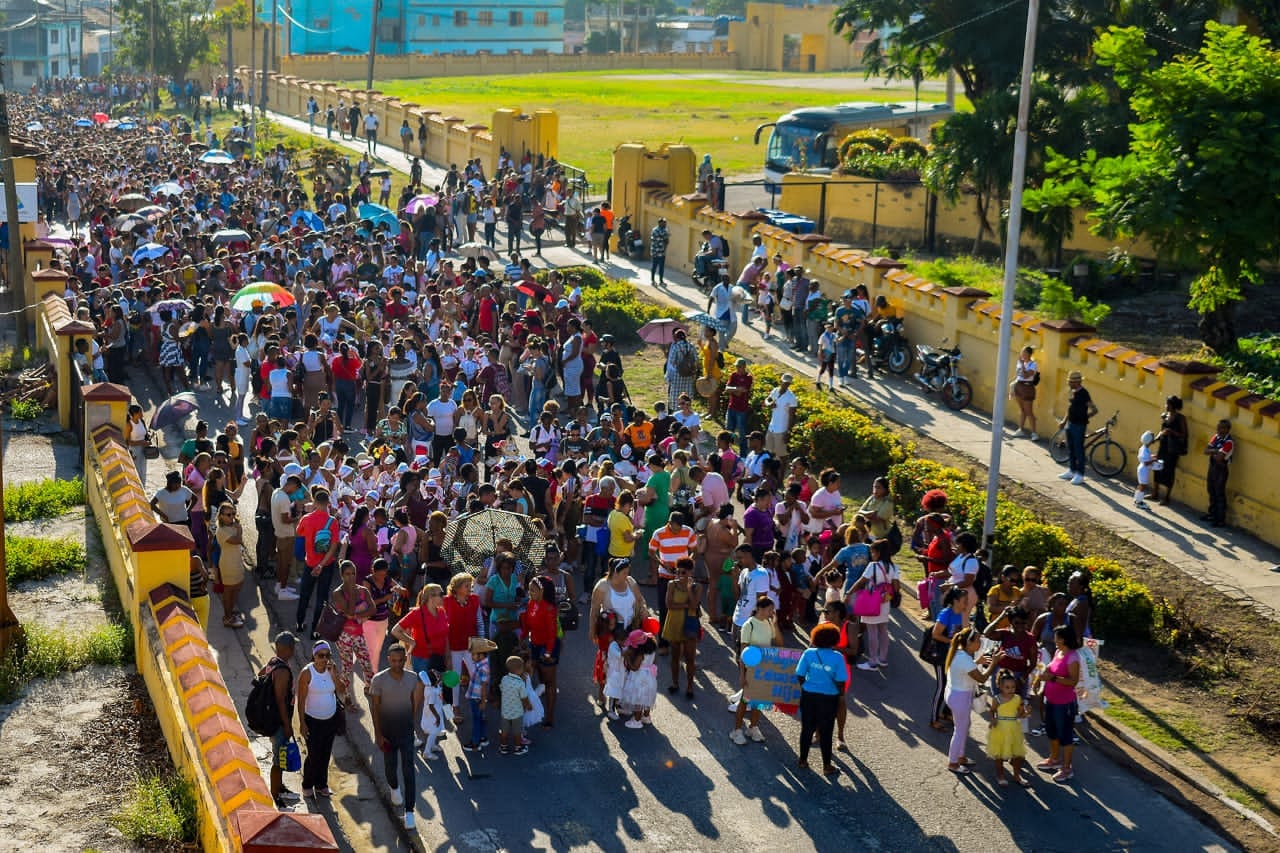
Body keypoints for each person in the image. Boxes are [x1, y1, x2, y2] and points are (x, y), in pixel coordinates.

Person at [370, 643, 425, 830]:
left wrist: (414, 726)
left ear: (405, 659)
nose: (397, 664)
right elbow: (375, 708)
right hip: (387, 734)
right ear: (388, 660)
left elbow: (413, 703)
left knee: (409, 771)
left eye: (401, 660)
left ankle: (409, 812)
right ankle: (394, 788)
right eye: (393, 660)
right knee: (390, 768)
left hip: (406, 734)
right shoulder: (378, 680)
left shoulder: (412, 678)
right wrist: (378, 734)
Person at [943, 626, 999, 774]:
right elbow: (981, 678)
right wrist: (994, 662)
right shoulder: (965, 659)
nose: (980, 643)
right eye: (978, 640)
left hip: (956, 694)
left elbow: (967, 668)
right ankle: (953, 763)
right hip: (960, 698)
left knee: (963, 727)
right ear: (969, 643)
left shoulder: (960, 653)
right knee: (960, 731)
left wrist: (977, 661)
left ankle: (960, 758)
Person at [795, 622, 847, 777]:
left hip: (809, 695)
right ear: (834, 640)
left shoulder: (808, 653)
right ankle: (826, 766)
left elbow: (800, 674)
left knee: (807, 729)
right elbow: (841, 680)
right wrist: (840, 695)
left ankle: (802, 760)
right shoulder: (837, 657)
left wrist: (808, 686)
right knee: (826, 731)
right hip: (829, 698)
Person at [296, 640, 346, 799]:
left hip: (330, 720)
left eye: (327, 656)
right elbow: (302, 699)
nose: (324, 659)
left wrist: (333, 675)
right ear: (314, 656)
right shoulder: (307, 673)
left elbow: (342, 690)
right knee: (313, 755)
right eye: (321, 655)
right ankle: (307, 784)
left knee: (325, 753)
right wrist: (302, 723)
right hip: (313, 720)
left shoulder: (332, 669)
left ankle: (321, 785)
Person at [730, 594, 781, 745]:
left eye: (773, 610)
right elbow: (743, 652)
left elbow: (779, 642)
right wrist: (742, 674)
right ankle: (737, 731)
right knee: (745, 701)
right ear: (759, 608)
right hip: (750, 670)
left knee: (759, 701)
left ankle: (753, 727)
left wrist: (776, 624)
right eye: (769, 610)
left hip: (765, 668)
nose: (771, 613)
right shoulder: (749, 625)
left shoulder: (769, 623)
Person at [1035, 625, 1082, 783]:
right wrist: (1042, 674)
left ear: (1062, 638)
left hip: (1065, 704)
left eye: (1055, 636)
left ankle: (1067, 768)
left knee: (1065, 735)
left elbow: (1072, 681)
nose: (1053, 639)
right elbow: (1051, 668)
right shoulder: (1058, 652)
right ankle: (1054, 759)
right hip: (1052, 701)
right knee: (1052, 731)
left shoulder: (1073, 657)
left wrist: (1052, 679)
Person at [845, 538, 900, 671]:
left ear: (878, 552)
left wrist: (849, 593)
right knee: (883, 630)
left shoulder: (873, 566)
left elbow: (861, 581)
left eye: (873, 552)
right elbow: (897, 587)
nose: (872, 555)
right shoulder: (893, 567)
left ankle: (872, 662)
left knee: (872, 631)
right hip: (884, 602)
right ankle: (883, 659)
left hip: (871, 601)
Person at [260, 631, 300, 809]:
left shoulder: (273, 662)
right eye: (292, 646)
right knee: (277, 761)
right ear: (288, 648)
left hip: (272, 720)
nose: (294, 649)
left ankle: (280, 787)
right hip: (278, 723)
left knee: (281, 756)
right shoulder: (283, 670)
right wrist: (287, 725)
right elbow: (280, 700)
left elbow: (259, 677)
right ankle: (276, 798)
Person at [295, 489, 340, 637]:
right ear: (328, 503)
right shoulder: (333, 522)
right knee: (322, 597)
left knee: (305, 594)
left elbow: (299, 532)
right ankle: (316, 630)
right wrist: (321, 565)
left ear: (314, 502)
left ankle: (300, 624)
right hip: (325, 565)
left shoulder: (306, 519)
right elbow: (334, 546)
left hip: (310, 563)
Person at [331, 560, 375, 701]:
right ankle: (345, 695)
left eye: (353, 573)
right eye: (347, 574)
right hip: (344, 636)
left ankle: (369, 687)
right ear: (342, 575)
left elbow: (373, 609)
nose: (351, 577)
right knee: (347, 667)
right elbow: (348, 611)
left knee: (367, 663)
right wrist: (351, 592)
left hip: (359, 635)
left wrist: (355, 616)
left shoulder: (363, 590)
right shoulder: (338, 593)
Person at [929, 588, 970, 730]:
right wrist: (951, 642)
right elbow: (935, 634)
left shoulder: (960, 614)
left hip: (952, 655)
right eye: (964, 600)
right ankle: (933, 719)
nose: (967, 603)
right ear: (955, 601)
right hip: (941, 656)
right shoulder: (946, 613)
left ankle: (946, 713)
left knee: (951, 685)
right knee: (941, 687)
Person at [662, 557, 702, 698]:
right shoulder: (671, 584)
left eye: (683, 572)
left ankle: (690, 687)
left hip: (689, 623)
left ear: (690, 572)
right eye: (677, 572)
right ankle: (675, 683)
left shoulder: (697, 587)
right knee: (674, 656)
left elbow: (694, 604)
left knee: (690, 658)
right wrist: (686, 605)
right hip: (674, 622)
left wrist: (689, 590)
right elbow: (669, 605)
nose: (679, 575)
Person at [988, 671, 1031, 787]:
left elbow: (1021, 714)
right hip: (1000, 729)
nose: (1010, 690)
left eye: (1013, 687)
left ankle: (1017, 775)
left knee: (1017, 755)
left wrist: (1026, 712)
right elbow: (992, 711)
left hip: (1014, 729)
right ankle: (1001, 776)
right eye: (1007, 687)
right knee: (1000, 755)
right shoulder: (997, 699)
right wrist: (993, 719)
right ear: (1000, 687)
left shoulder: (1018, 699)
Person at [1057, 370, 1097, 486]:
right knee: (1071, 448)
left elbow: (1094, 410)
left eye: (1071, 382)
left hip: (1079, 425)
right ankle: (1072, 470)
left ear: (1077, 382)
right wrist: (1064, 421)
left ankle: (1080, 474)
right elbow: (1070, 408)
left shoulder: (1084, 394)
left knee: (1079, 449)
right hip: (1070, 424)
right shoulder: (1072, 392)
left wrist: (1085, 417)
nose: (1069, 383)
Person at [214, 502, 246, 628]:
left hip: (237, 561)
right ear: (221, 516)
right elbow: (238, 540)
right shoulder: (221, 530)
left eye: (233, 513)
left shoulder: (233, 526)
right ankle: (227, 618)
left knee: (237, 587)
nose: (232, 516)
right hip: (228, 564)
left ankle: (230, 612)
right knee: (229, 591)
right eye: (228, 514)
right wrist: (240, 530)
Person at [461, 637, 496, 751]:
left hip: (477, 698)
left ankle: (475, 743)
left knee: (476, 719)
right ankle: (483, 738)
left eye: (474, 654)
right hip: (476, 697)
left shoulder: (483, 668)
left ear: (481, 655)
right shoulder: (481, 665)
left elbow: (484, 686)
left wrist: (483, 701)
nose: (471, 657)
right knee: (480, 718)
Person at [1152, 395, 1188, 506]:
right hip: (1163, 446)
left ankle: (1166, 497)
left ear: (1173, 405)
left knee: (1169, 472)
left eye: (1168, 404)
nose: (1166, 406)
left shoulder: (1180, 418)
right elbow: (1162, 430)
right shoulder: (1165, 416)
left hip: (1173, 449)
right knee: (1157, 468)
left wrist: (1172, 432)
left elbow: (1184, 434)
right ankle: (1155, 493)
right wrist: (1155, 439)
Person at [619, 630, 658, 729]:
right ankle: (646, 716)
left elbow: (635, 667)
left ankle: (637, 720)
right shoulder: (652, 651)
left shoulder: (641, 654)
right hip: (650, 677)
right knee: (647, 697)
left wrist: (627, 658)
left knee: (638, 699)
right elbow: (654, 662)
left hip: (639, 677)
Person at [1203, 418, 1234, 528]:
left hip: (1221, 469)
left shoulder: (1229, 442)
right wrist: (1216, 451)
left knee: (1219, 494)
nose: (1219, 429)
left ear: (1227, 429)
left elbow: (1219, 458)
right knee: (1211, 490)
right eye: (1218, 427)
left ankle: (1220, 519)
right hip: (1212, 468)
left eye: (1222, 428)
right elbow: (1206, 451)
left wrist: (1213, 451)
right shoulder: (1216, 437)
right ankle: (1212, 514)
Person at [499, 656, 532, 754]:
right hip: (517, 712)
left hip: (505, 711)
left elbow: (501, 688)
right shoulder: (520, 683)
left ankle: (503, 747)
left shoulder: (504, 679)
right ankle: (518, 748)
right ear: (519, 669)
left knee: (504, 731)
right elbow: (524, 698)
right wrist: (528, 705)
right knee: (517, 732)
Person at [764, 373, 798, 461]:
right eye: (784, 382)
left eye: (788, 383)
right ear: (781, 381)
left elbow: (792, 417)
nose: (786, 385)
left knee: (781, 456)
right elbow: (767, 400)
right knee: (768, 453)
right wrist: (769, 404)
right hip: (771, 428)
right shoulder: (775, 390)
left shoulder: (791, 397)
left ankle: (780, 474)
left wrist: (788, 432)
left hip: (781, 430)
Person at [1011, 345, 1040, 440]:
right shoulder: (1019, 363)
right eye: (1021, 352)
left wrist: (1023, 365)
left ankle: (1034, 433)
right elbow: (1018, 376)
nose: (1022, 354)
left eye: (1024, 353)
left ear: (1029, 354)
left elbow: (1026, 375)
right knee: (1022, 409)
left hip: (1027, 387)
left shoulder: (1033, 364)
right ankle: (1020, 429)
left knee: (1029, 411)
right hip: (1019, 386)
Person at [1134, 430, 1156, 509]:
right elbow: (1146, 462)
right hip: (1144, 469)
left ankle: (1137, 500)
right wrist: (1153, 460)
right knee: (1143, 486)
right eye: (1152, 439)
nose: (1153, 440)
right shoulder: (1145, 449)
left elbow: (1145, 458)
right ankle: (1139, 502)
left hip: (1142, 468)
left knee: (1141, 485)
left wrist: (1152, 457)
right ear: (1149, 440)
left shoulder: (1144, 448)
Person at [649, 217, 669, 286]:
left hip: (662, 252)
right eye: (664, 223)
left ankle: (661, 281)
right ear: (660, 223)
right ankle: (652, 280)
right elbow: (660, 240)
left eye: (665, 223)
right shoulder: (655, 230)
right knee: (654, 266)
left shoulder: (665, 230)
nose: (665, 224)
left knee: (661, 267)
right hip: (655, 252)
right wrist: (664, 239)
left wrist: (664, 249)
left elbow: (666, 241)